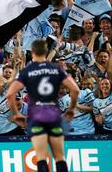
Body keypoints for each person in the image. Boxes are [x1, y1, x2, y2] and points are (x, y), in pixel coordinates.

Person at [6, 39, 79, 172]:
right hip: (53, 115)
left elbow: (10, 94)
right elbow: (75, 89)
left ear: (32, 52)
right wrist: (72, 108)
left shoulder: (28, 71)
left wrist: (16, 113)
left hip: (36, 117)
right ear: (46, 52)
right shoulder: (56, 69)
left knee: (41, 158)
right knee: (59, 157)